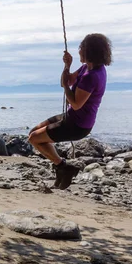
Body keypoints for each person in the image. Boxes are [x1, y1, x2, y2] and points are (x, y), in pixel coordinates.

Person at [28, 33, 112, 189]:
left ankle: (63, 167)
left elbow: (75, 103)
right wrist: (67, 66)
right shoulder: (87, 67)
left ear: (89, 51)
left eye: (81, 47)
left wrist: (67, 87)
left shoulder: (92, 76)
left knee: (34, 138)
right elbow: (65, 82)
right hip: (71, 117)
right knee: (34, 132)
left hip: (78, 125)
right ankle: (62, 168)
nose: (79, 50)